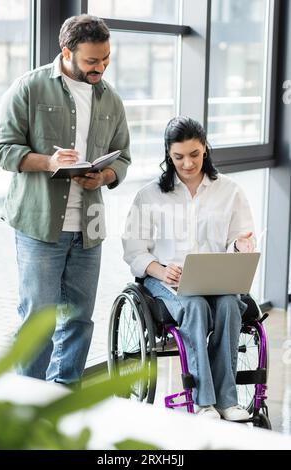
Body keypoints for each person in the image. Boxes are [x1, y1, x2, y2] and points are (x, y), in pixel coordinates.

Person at [0, 15, 130, 384]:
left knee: (80, 319)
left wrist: (102, 175)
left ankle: (62, 400)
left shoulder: (111, 99)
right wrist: (49, 162)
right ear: (66, 52)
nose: (100, 67)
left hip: (89, 228)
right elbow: (3, 150)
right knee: (38, 322)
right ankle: (28, 406)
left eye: (106, 59)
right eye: (91, 61)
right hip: (39, 226)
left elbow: (124, 158)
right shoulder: (30, 88)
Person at [122, 116, 255, 421]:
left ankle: (227, 401)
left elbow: (240, 237)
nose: (188, 163)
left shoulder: (229, 191)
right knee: (194, 306)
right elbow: (134, 251)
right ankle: (203, 402)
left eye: (195, 154)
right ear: (168, 155)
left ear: (205, 149)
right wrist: (160, 269)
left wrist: (240, 246)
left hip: (216, 278)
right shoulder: (149, 195)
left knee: (229, 307)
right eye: (179, 157)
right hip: (165, 279)